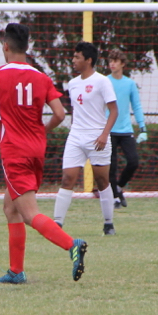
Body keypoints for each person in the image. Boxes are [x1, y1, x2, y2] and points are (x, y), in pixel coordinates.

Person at [0, 22, 88, 283]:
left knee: (28, 213)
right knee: (10, 207)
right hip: (36, 149)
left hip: (14, 151)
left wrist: (0, 117)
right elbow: (60, 114)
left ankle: (71, 244)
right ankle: (16, 272)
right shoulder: (41, 77)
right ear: (27, 49)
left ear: (5, 46)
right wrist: (42, 129)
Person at [52, 42, 120, 235]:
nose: (73, 60)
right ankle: (57, 225)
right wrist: (75, 130)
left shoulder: (102, 81)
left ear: (88, 60)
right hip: (76, 137)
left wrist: (104, 135)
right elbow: (75, 111)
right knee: (67, 178)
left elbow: (114, 111)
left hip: (97, 137)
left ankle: (108, 223)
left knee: (102, 181)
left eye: (77, 57)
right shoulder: (72, 83)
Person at [106, 48, 147, 208]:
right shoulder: (105, 81)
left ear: (122, 64)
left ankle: (118, 187)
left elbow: (136, 106)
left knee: (133, 162)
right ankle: (115, 198)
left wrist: (143, 128)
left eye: (115, 61)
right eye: (110, 61)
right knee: (111, 166)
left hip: (125, 130)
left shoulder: (129, 84)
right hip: (108, 130)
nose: (112, 64)